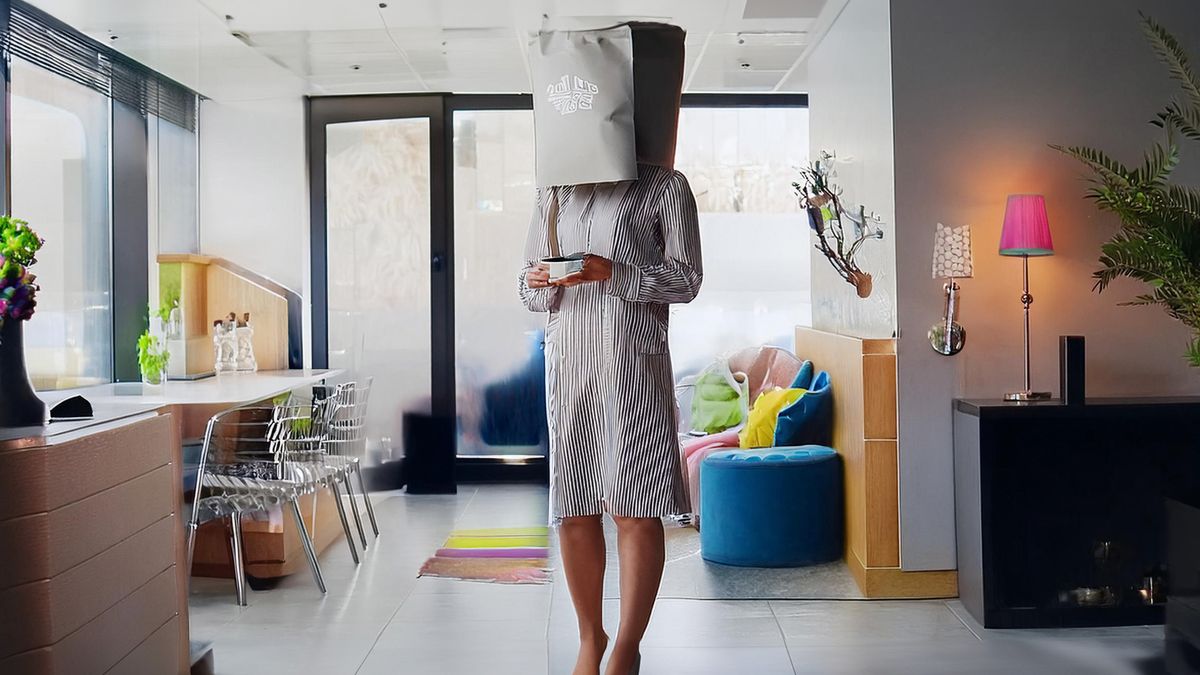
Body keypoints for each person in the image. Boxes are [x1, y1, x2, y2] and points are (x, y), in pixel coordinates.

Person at [519, 164, 702, 675]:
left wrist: (614, 272)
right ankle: (589, 637)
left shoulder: (665, 185)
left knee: (635, 508)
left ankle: (626, 645)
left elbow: (687, 279)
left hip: (632, 367)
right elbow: (530, 288)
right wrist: (537, 280)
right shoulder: (554, 190)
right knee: (574, 510)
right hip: (571, 366)